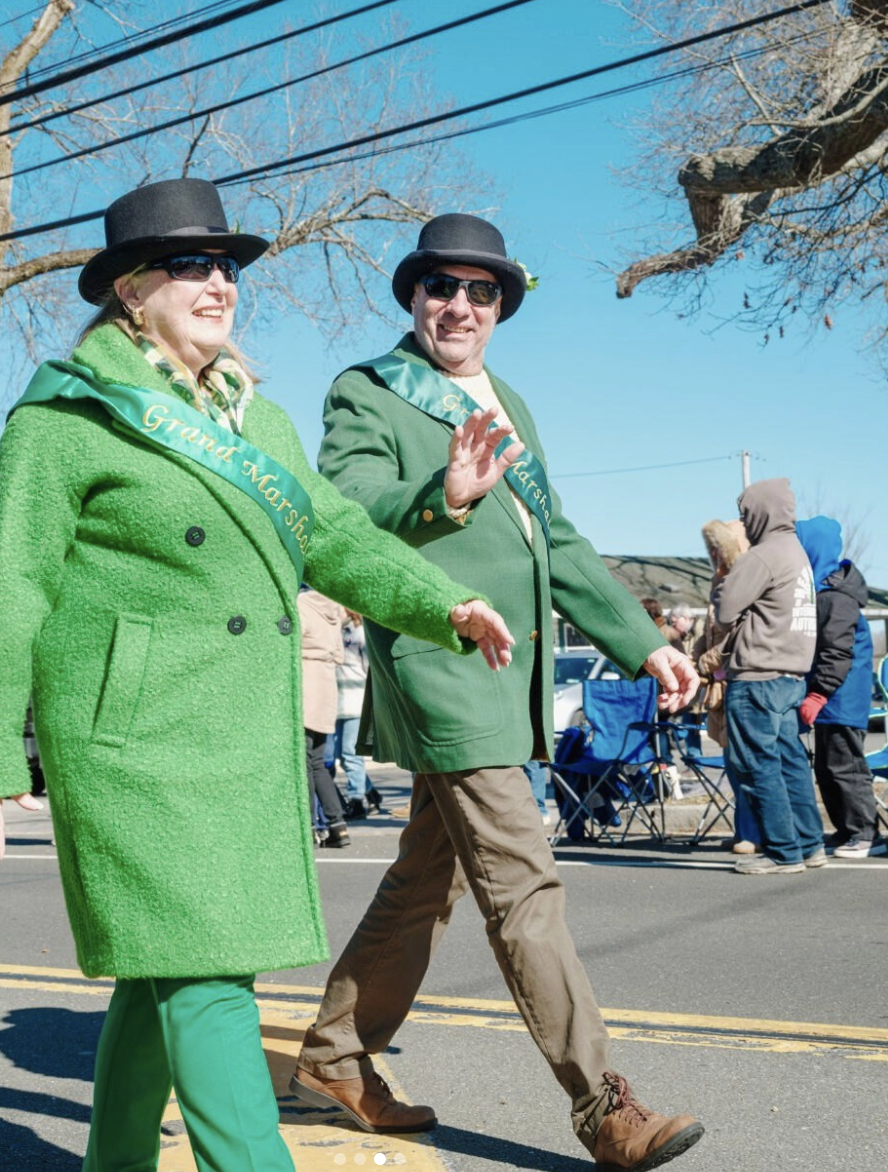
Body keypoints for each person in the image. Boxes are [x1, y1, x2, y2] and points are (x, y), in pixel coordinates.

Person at [0, 178, 517, 1172]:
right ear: (128, 289)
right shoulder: (66, 417)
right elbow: (13, 589)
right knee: (207, 978)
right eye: (191, 263)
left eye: (227, 266)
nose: (219, 282)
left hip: (236, 737)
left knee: (165, 969)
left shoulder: (260, 421)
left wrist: (442, 602)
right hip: (133, 741)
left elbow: (335, 536)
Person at [289, 212, 704, 1169]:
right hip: (439, 662)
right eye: (443, 286)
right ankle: (604, 1106)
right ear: (414, 296)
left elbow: (555, 541)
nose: (460, 305)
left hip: (504, 678)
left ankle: (335, 1058)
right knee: (525, 885)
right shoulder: (369, 390)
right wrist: (446, 488)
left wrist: (643, 644)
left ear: (501, 307)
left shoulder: (507, 395)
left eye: (482, 292)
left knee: (423, 884)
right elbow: (342, 516)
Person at [712, 478, 823, 876]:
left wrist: (725, 571)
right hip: (791, 676)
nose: (743, 523)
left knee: (757, 764)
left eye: (745, 514)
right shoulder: (796, 553)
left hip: (757, 676)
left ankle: (782, 852)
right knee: (791, 762)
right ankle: (810, 845)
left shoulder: (763, 555)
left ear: (760, 512)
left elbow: (724, 610)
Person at [796, 516, 886, 858]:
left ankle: (866, 834)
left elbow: (837, 650)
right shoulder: (821, 590)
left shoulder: (836, 596)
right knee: (827, 767)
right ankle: (846, 829)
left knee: (845, 765)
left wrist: (819, 693)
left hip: (841, 697)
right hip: (830, 697)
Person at [694, 519, 761, 853]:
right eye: (709, 548)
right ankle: (743, 830)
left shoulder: (746, 578)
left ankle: (754, 834)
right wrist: (694, 659)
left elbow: (738, 637)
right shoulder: (717, 579)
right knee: (733, 765)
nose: (712, 553)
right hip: (719, 690)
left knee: (747, 764)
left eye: (717, 546)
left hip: (739, 682)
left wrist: (705, 662)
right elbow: (707, 633)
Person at [298, 586, 349, 847]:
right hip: (327, 688)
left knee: (304, 762)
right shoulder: (334, 610)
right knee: (317, 762)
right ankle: (338, 825)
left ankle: (306, 826)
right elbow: (339, 654)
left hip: (306, 684)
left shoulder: (303, 604)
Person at [334, 611, 380, 819]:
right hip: (338, 702)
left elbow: (369, 666)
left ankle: (357, 799)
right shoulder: (339, 631)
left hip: (355, 701)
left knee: (350, 754)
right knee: (342, 757)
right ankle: (370, 792)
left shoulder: (359, 633)